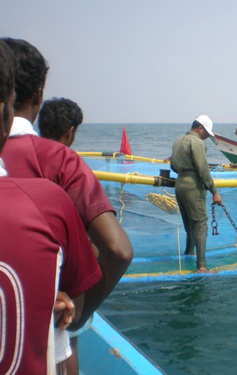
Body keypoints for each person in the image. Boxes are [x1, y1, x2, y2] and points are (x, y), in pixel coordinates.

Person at [2, 38, 133, 372]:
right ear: (37, 96)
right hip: (48, 323)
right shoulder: (61, 163)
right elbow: (118, 250)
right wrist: (76, 317)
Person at [170, 115, 223, 272]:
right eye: (206, 133)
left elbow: (173, 165)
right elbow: (203, 169)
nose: (207, 137)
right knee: (200, 224)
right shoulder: (197, 142)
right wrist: (214, 191)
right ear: (200, 128)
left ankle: (189, 252)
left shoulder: (178, 140)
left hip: (180, 184)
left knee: (189, 224)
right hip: (193, 186)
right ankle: (201, 265)